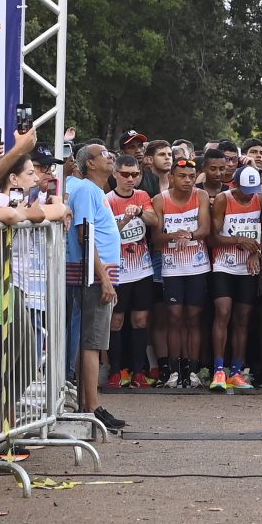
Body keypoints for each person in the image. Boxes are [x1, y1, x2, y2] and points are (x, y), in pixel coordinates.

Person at [63, 141, 125, 430]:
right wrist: (103, 278)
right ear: (89, 163)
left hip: (98, 273)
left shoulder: (95, 191)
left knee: (94, 340)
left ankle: (88, 402)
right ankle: (93, 405)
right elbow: (85, 236)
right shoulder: (88, 190)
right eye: (104, 155)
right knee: (94, 341)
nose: (110, 158)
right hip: (93, 275)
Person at [155, 153, 217, 388]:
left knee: (193, 318)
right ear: (171, 177)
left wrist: (189, 235)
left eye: (191, 176)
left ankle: (191, 370)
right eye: (182, 176)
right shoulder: (160, 200)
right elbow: (155, 237)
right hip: (172, 268)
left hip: (197, 267)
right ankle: (173, 370)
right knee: (174, 318)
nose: (188, 181)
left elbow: (205, 228)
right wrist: (174, 236)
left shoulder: (200, 196)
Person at [210, 160, 262, 387]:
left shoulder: (261, 199)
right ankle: (218, 370)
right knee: (223, 312)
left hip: (248, 267)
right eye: (244, 192)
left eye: (251, 192)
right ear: (234, 185)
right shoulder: (224, 199)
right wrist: (238, 240)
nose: (247, 197)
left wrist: (257, 253)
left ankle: (236, 370)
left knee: (243, 318)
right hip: (224, 265)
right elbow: (213, 237)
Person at [106, 154, 159, 389]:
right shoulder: (107, 200)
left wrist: (138, 213)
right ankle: (117, 371)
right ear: (115, 174)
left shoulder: (143, 196)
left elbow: (154, 220)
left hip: (143, 270)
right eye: (125, 174)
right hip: (118, 271)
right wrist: (124, 222)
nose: (130, 179)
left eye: (135, 174)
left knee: (140, 320)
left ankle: (139, 371)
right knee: (116, 321)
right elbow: (107, 235)